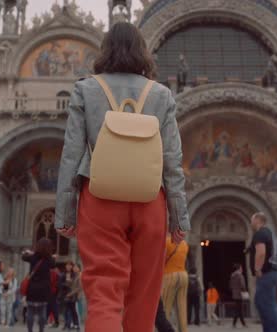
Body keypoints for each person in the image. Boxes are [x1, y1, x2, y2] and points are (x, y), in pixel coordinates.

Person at [55, 22, 190, 332]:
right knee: (143, 296)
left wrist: (64, 212)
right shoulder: (162, 94)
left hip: (100, 195)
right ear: (144, 52)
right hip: (149, 199)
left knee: (104, 291)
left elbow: (71, 155)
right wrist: (179, 218)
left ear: (105, 51)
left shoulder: (85, 89)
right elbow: (172, 162)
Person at [249, 212, 277, 332]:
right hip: (274, 272)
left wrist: (257, 269)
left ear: (257, 220)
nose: (250, 222)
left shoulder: (260, 233)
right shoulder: (269, 233)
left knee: (264, 304)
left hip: (267, 273)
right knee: (268, 303)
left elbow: (261, 252)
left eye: (252, 220)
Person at [23, 238, 56, 332]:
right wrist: (51, 256)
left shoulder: (33, 257)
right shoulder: (49, 259)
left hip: (32, 288)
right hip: (44, 289)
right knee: (42, 312)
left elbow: (23, 257)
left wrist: (29, 252)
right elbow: (54, 265)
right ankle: (41, 330)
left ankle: (30, 330)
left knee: (30, 311)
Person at [162, 237, 189, 332]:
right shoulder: (184, 244)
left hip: (169, 275)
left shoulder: (166, 242)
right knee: (182, 308)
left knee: (165, 308)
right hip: (183, 275)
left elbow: (161, 260)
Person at [66, 264, 82, 330]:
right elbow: (70, 286)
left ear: (79, 268)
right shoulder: (74, 275)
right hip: (73, 296)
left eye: (76, 267)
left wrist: (71, 294)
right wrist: (68, 280)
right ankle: (74, 324)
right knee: (73, 310)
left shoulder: (80, 275)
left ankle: (78, 325)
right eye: (74, 267)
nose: (74, 268)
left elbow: (79, 287)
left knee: (76, 311)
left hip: (77, 296)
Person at [230, 263, 247, 328]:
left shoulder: (232, 276)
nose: (242, 269)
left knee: (239, 309)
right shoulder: (240, 276)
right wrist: (244, 291)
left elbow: (230, 285)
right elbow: (243, 285)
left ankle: (242, 323)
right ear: (239, 268)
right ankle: (237, 323)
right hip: (240, 294)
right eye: (241, 268)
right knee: (239, 309)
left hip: (234, 294)